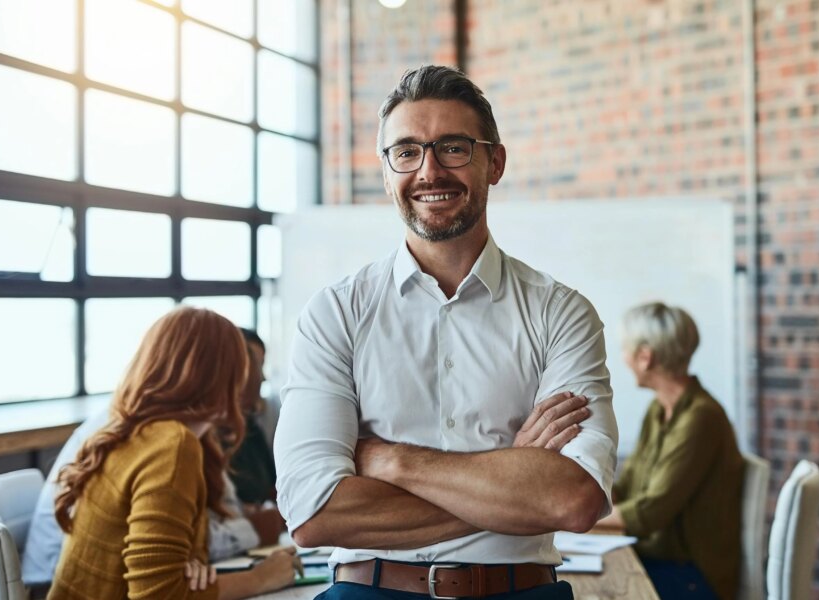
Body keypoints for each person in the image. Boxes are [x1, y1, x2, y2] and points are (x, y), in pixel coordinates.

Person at [274, 65, 619, 599]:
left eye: (453, 147)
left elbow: (572, 500)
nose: (429, 171)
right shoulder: (335, 314)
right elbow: (313, 513)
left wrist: (391, 459)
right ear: (388, 172)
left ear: (495, 162)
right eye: (407, 152)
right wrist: (512, 480)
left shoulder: (561, 313)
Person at [47, 307, 300, 600]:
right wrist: (261, 578)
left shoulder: (141, 430)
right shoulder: (173, 444)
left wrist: (187, 564)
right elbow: (158, 596)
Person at [598, 302, 744, 600]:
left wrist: (573, 518)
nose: (622, 358)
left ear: (645, 357)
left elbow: (650, 512)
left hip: (691, 577)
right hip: (660, 561)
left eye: (625, 349)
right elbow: (627, 488)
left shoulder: (701, 417)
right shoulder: (658, 409)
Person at [226, 328, 285, 544]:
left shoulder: (250, 428)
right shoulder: (193, 439)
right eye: (253, 366)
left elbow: (273, 490)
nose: (261, 378)